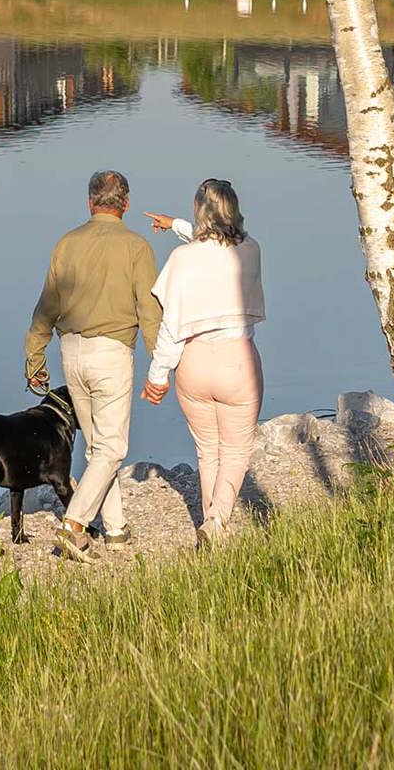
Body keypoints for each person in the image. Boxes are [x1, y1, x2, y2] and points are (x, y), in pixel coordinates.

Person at [25, 170, 161, 562]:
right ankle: (74, 523)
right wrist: (161, 365)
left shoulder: (67, 244)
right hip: (111, 353)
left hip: (71, 352)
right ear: (126, 204)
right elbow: (148, 311)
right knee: (113, 446)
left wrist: (35, 356)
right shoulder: (137, 247)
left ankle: (116, 529)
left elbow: (46, 306)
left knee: (97, 446)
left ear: (90, 202)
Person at [141, 179, 264, 547]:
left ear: (199, 212)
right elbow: (218, 247)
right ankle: (216, 521)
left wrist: (157, 375)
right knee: (237, 449)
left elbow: (171, 326)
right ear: (235, 209)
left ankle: (212, 528)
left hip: (193, 364)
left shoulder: (182, 259)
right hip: (236, 361)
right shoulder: (251, 250)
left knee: (207, 450)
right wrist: (176, 226)